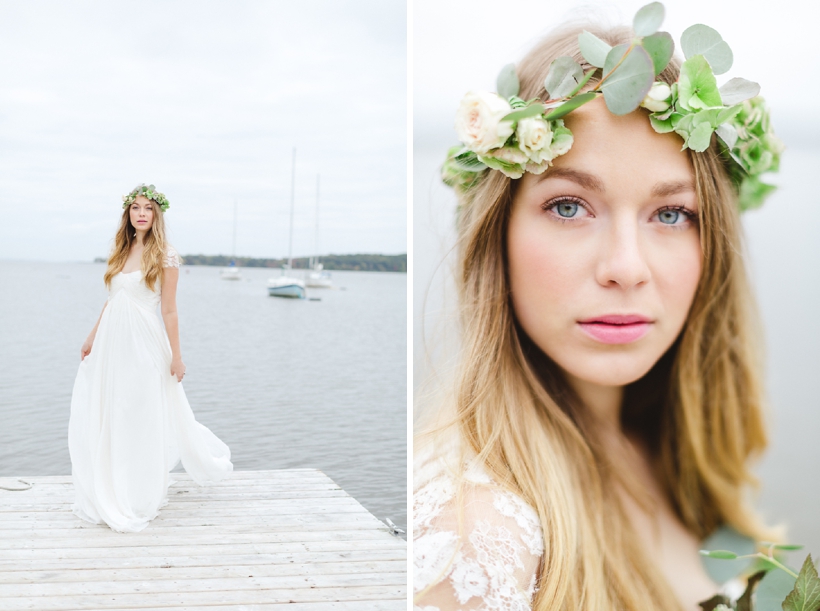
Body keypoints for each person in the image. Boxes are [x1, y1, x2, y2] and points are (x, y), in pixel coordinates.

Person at [413, 8, 784, 611]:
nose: (626, 267)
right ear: (497, 234)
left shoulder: (667, 450)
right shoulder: (475, 540)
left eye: (672, 214)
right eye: (568, 206)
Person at [68, 184, 233, 533]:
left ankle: (138, 490)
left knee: (139, 412)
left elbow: (170, 310)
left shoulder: (165, 255)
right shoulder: (121, 250)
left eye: (148, 209)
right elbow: (112, 300)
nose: (141, 213)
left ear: (156, 215)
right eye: (135, 208)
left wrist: (177, 356)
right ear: (128, 214)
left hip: (144, 343)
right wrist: (91, 336)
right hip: (112, 343)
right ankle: (112, 481)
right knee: (113, 411)